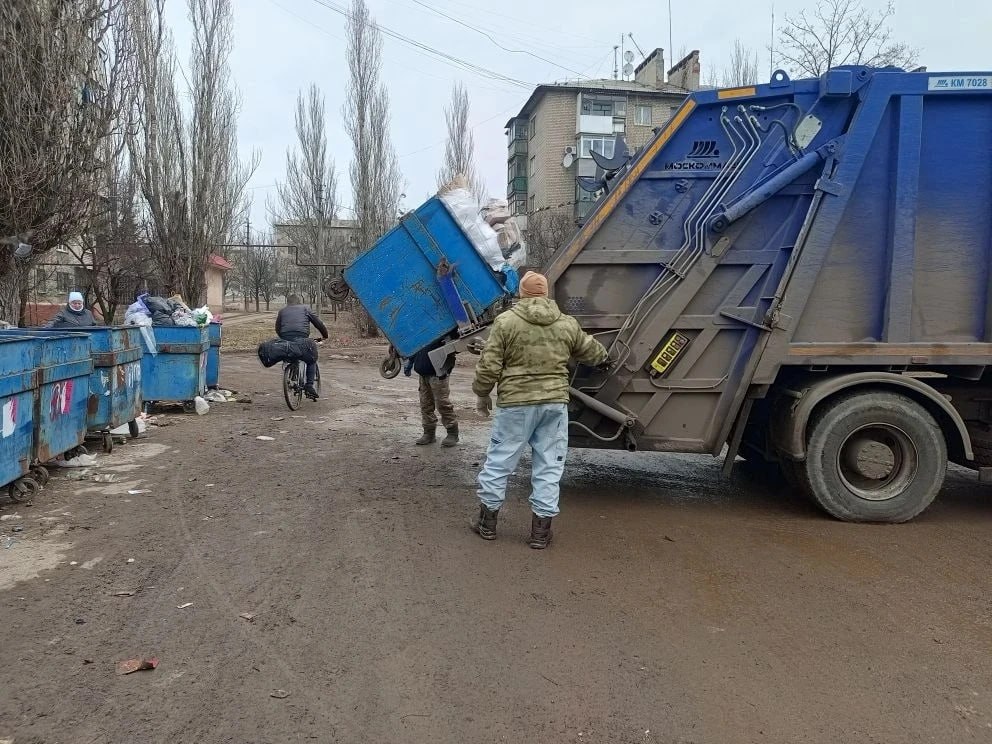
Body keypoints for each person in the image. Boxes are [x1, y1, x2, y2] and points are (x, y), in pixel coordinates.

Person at [472, 271, 608, 549]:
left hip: (515, 405)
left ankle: (487, 524)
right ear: (545, 294)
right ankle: (540, 534)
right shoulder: (566, 324)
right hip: (553, 405)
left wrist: (482, 393)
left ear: (521, 294)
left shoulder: (506, 322)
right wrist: (604, 358)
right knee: (548, 467)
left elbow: (489, 365)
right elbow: (593, 353)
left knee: (499, 463)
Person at [404, 339, 458, 447]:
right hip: (423, 373)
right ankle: (429, 433)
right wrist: (410, 362)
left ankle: (452, 433)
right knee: (425, 404)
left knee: (443, 404)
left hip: (438, 374)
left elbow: (453, 347)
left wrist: (447, 367)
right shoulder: (420, 331)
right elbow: (415, 347)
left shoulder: (442, 329)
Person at [276, 294, 329, 399]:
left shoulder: (282, 311)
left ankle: (292, 369)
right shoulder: (306, 309)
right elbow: (318, 323)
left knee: (291, 355)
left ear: (288, 303)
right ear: (299, 302)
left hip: (285, 337)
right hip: (302, 337)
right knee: (311, 359)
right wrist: (325, 335)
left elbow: (278, 327)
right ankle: (309, 386)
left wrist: (283, 337)